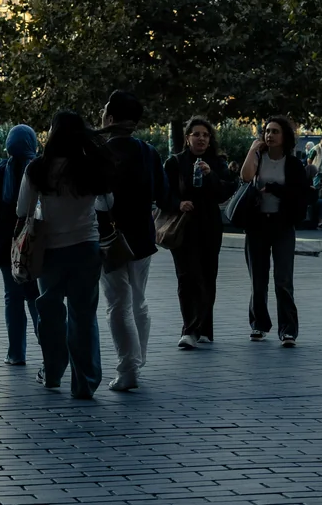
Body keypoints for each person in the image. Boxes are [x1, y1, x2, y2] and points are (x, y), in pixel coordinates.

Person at [19, 110, 114, 400]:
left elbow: (22, 209)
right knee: (83, 316)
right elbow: (107, 203)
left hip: (49, 251)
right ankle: (84, 382)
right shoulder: (91, 167)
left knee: (49, 313)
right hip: (86, 248)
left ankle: (52, 371)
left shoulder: (37, 169)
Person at [97, 90, 166, 392]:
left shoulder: (100, 154)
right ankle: (139, 359)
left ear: (110, 118)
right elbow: (162, 194)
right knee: (138, 299)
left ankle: (128, 369)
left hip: (110, 238)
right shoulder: (148, 152)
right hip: (142, 237)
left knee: (117, 303)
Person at [160, 117, 234, 350]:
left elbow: (225, 191)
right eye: (196, 134)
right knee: (187, 277)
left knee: (207, 277)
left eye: (205, 135)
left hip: (209, 226)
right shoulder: (175, 163)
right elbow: (162, 194)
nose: (201, 138)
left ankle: (204, 328)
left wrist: (211, 174)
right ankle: (189, 330)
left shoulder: (217, 162)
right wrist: (178, 204)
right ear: (187, 138)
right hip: (183, 227)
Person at [0, 124, 42, 365]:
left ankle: (16, 353)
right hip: (35, 242)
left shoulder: (2, 170)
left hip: (7, 243)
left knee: (13, 297)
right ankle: (48, 349)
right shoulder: (40, 169)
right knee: (35, 296)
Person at [239, 115, 308, 347]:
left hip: (282, 225)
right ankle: (259, 324)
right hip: (257, 224)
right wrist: (252, 150)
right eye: (267, 131)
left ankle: (288, 330)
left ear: (285, 136)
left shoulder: (293, 164)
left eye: (275, 131)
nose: (270, 135)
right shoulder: (259, 158)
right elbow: (245, 177)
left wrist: (274, 189)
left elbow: (300, 195)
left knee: (283, 280)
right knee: (258, 280)